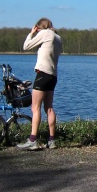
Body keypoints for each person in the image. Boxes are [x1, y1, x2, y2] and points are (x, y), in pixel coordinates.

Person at [17, 17, 63, 150]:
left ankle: (32, 140)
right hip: (53, 76)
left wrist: (31, 33)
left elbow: (26, 46)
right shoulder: (58, 38)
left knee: (35, 108)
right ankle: (52, 140)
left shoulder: (45, 33)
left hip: (42, 74)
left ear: (39, 27)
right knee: (49, 108)